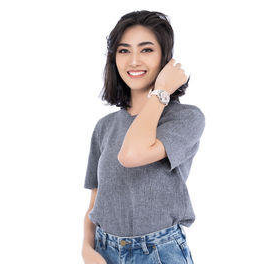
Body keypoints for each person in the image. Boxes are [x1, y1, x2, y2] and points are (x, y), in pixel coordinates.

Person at [81, 10, 205, 264]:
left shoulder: (186, 119)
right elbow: (94, 202)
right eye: (124, 50)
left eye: (146, 50)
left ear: (165, 59)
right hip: (104, 252)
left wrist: (161, 91)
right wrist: (86, 249)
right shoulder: (104, 127)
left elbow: (132, 154)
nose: (134, 61)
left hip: (160, 253)